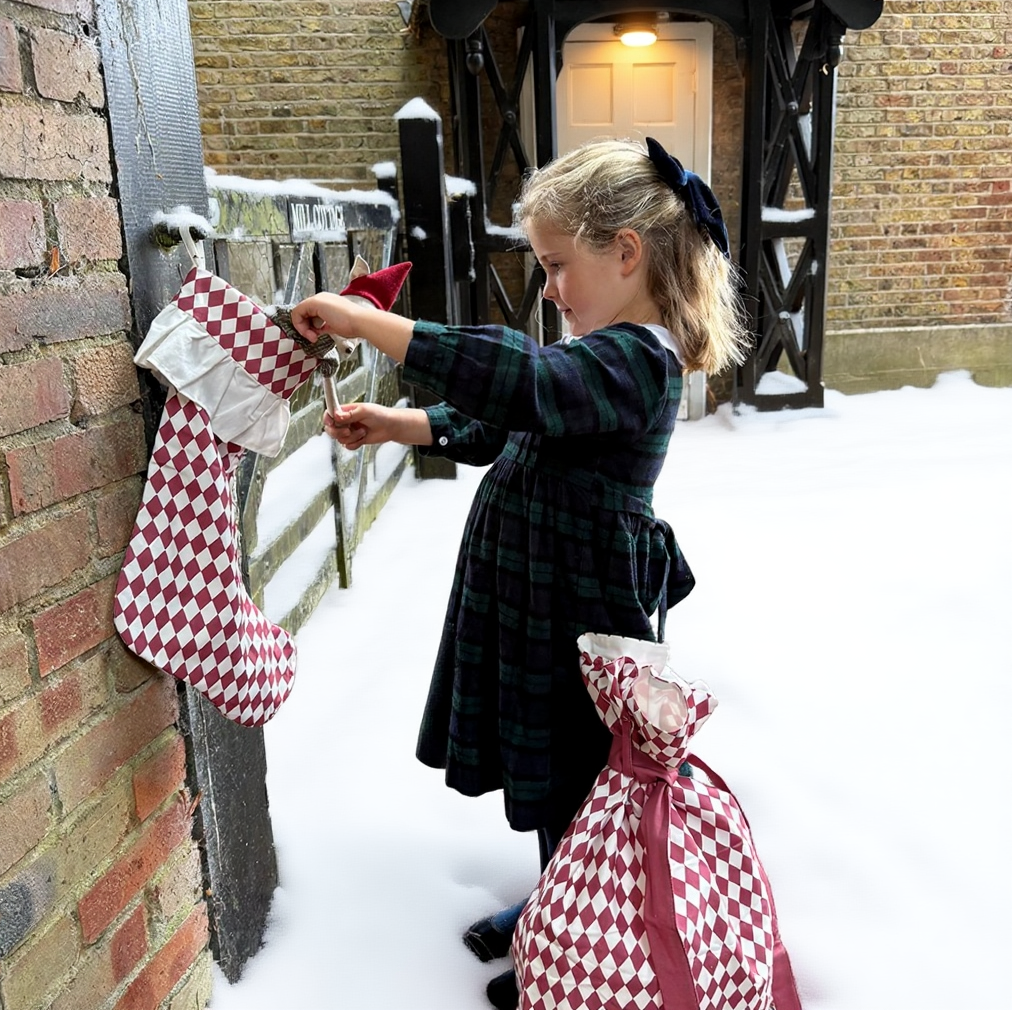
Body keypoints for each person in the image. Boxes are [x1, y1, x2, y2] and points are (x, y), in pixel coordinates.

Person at [291, 136, 749, 1010]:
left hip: (586, 614)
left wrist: (374, 325)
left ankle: (585, 936)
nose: (548, 287)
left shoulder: (636, 360)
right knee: (546, 771)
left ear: (627, 253)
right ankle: (556, 899)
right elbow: (508, 424)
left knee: (582, 773)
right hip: (536, 599)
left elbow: (523, 383)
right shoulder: (594, 359)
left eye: (556, 265)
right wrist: (403, 425)